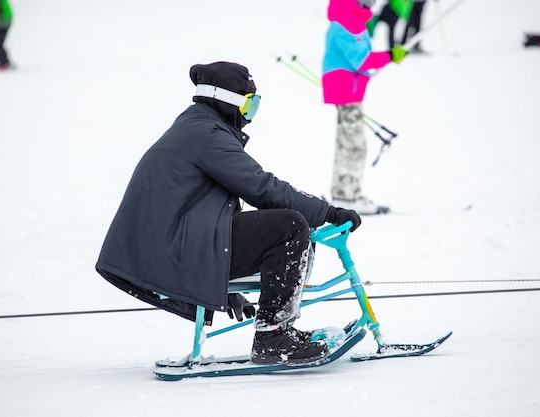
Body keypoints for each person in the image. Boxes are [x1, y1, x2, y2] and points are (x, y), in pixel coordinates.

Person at [95, 61, 362, 365]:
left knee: (287, 228)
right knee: (289, 226)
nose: (250, 115)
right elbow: (262, 188)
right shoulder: (206, 134)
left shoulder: (196, 127)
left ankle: (279, 329)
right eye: (250, 104)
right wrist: (328, 212)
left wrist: (225, 291)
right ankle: (273, 337)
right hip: (176, 249)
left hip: (175, 244)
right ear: (227, 100)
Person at [322, 0, 406, 215]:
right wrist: (389, 55)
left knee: (347, 142)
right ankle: (348, 196)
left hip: (347, 90)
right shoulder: (349, 21)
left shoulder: (347, 19)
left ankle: (342, 193)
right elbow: (362, 60)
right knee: (354, 145)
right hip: (346, 91)